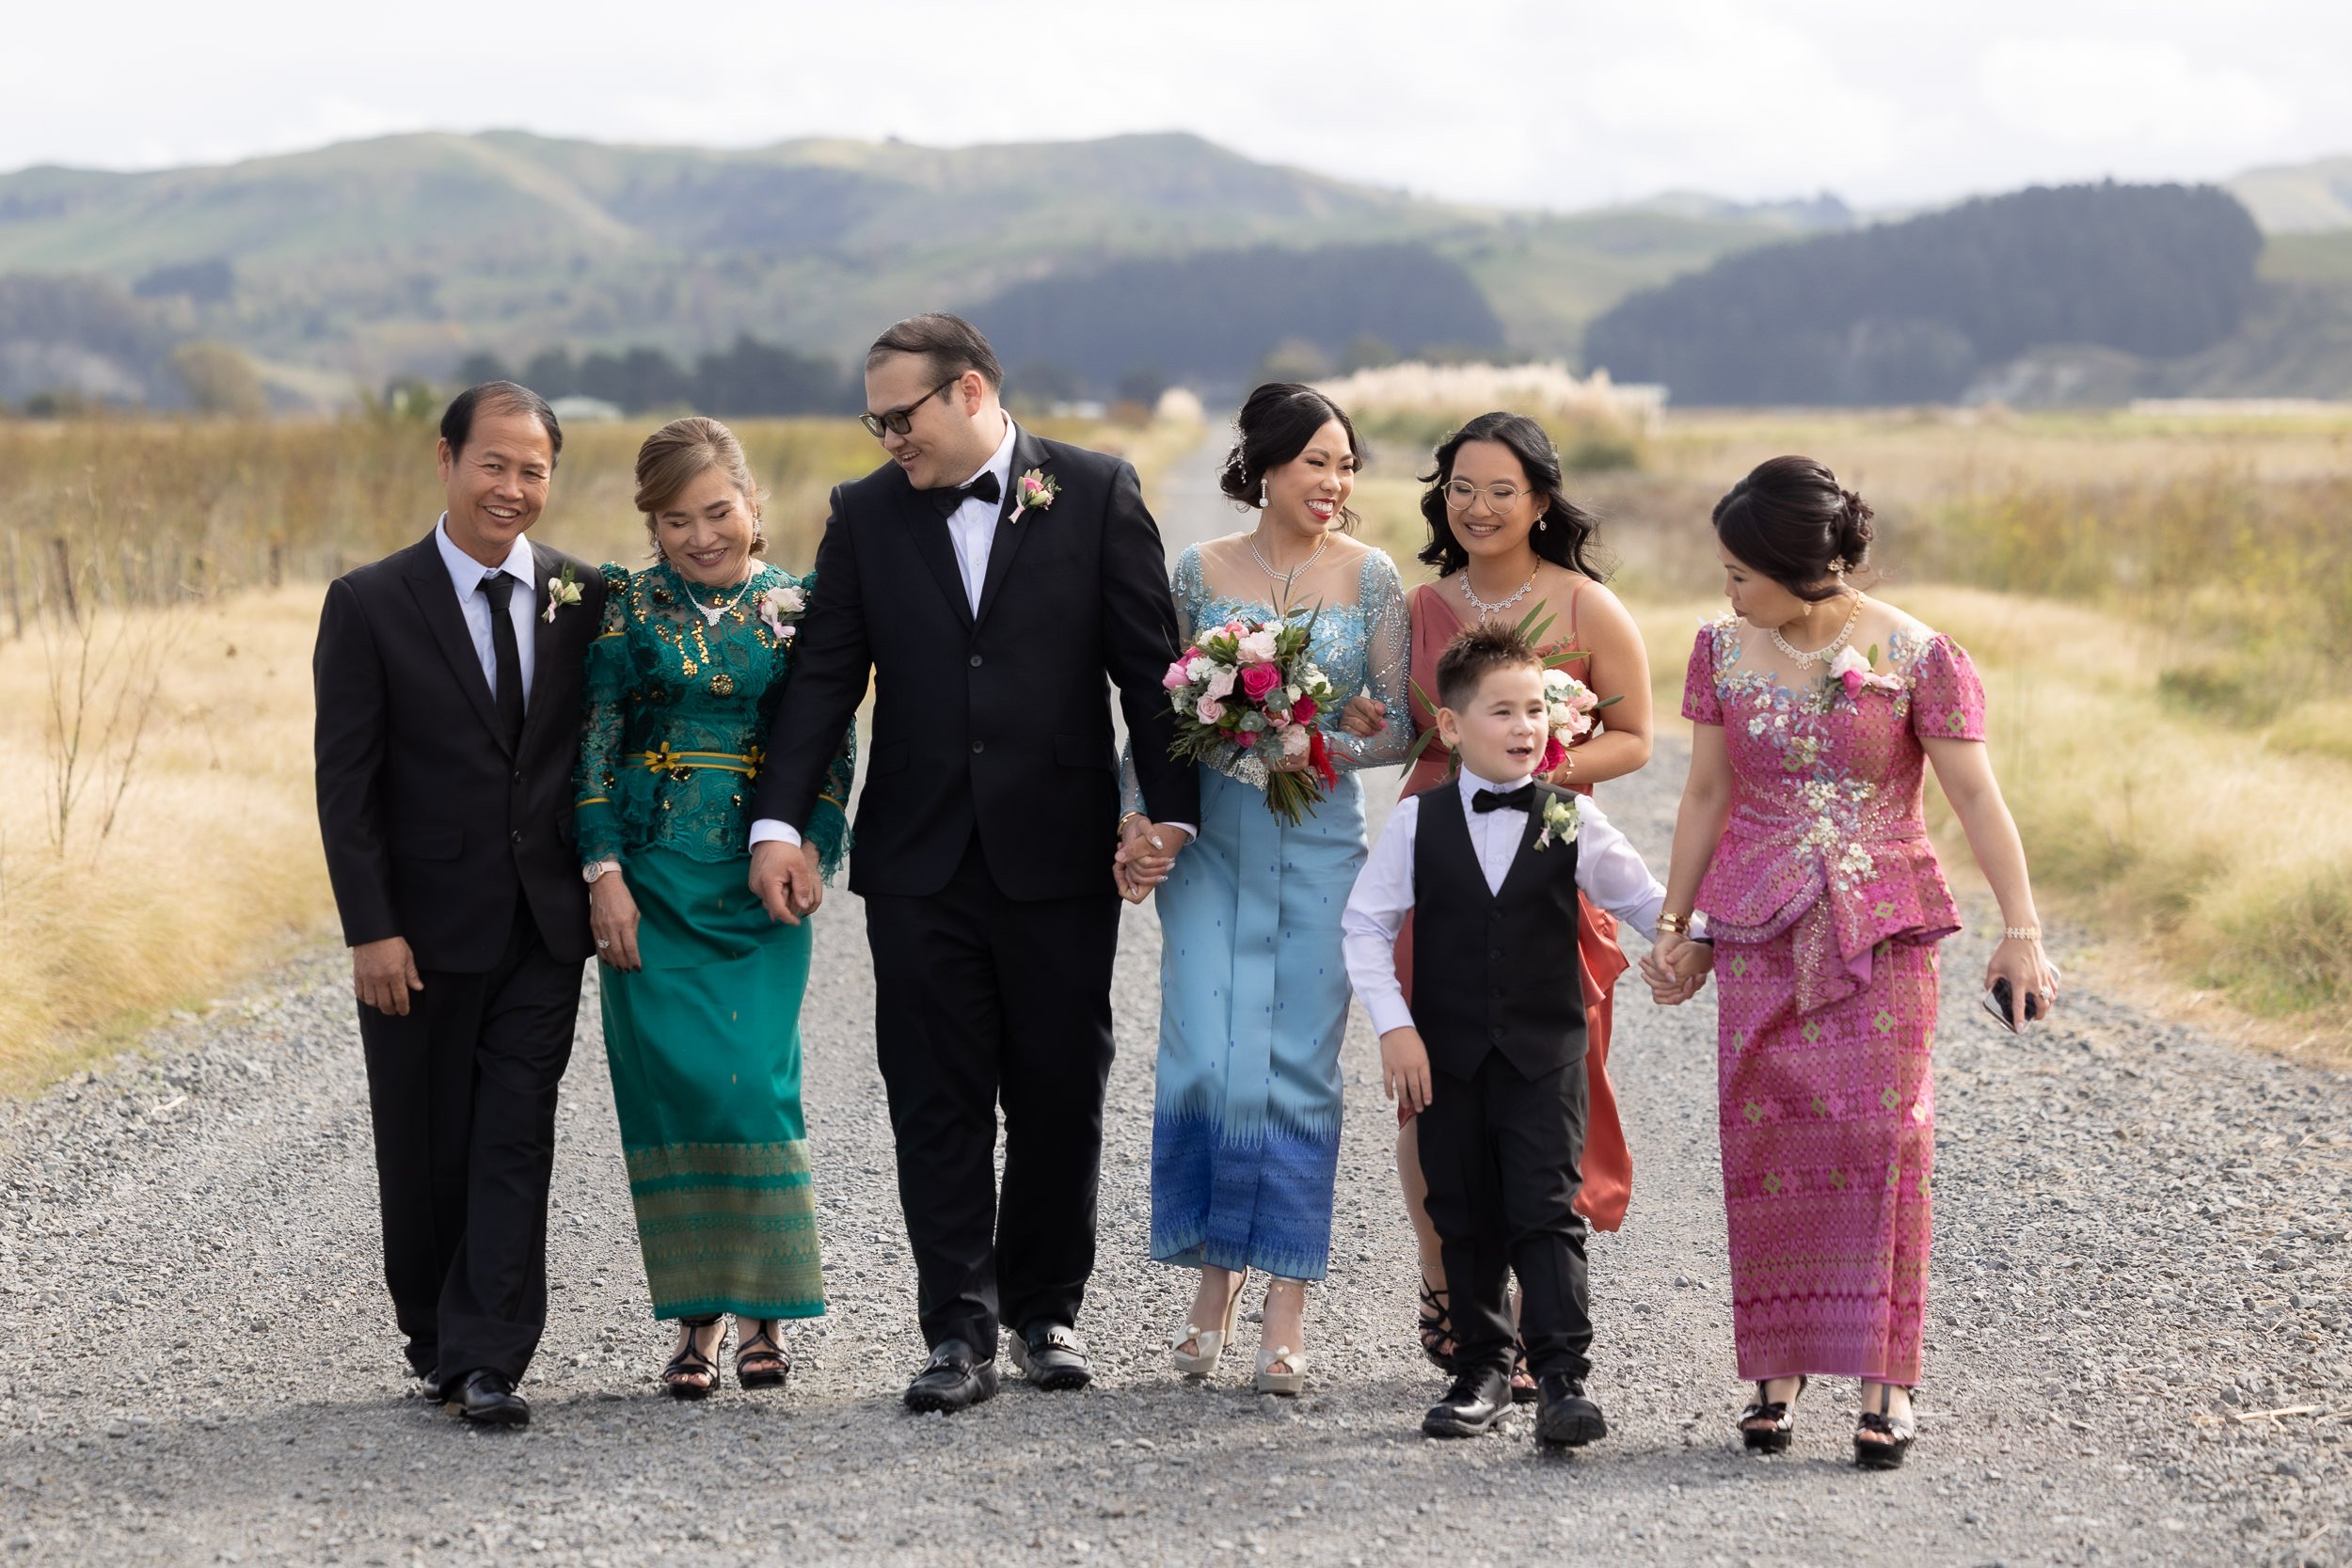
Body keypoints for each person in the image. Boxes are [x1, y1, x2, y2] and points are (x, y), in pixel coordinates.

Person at [745, 313, 1199, 1414]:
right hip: (917, 853)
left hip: (1058, 845)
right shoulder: (862, 514)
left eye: (901, 416)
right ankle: (955, 1329)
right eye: (875, 419)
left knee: (1057, 1086)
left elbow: (1151, 673)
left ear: (973, 391)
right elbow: (821, 680)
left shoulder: (1094, 491)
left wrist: (1166, 811)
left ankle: (1047, 1310)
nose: (888, 437)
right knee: (934, 1094)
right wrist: (779, 824)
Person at [1645, 455, 2056, 1468]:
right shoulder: (1717, 649)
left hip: (1882, 925)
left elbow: (1973, 797)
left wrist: (2022, 927)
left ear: (1797, 564)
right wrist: (1674, 921)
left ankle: (1886, 1382)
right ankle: (1773, 1375)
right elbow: (1702, 794)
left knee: (1885, 1140)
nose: (1727, 589)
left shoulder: (1914, 652)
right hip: (1757, 923)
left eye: (1741, 571)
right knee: (1766, 1140)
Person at [313, 382, 604, 1428]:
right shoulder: (369, 602)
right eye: (495, 463)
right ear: (445, 460)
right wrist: (370, 927)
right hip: (419, 931)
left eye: (533, 470)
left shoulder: (585, 597)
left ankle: (490, 1354)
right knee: (425, 1136)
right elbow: (345, 786)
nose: (513, 488)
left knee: (516, 1130)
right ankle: (434, 1334)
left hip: (541, 925)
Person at [1342, 623, 1702, 1447]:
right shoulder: (1416, 823)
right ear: (1454, 728)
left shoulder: (1570, 819)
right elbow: (1363, 927)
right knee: (1461, 1208)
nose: (1524, 726)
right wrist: (1396, 1029)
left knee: (1546, 1209)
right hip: (1446, 1056)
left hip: (1546, 1054)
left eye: (1535, 708)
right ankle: (1480, 1369)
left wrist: (1690, 944)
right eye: (1503, 711)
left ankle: (1563, 1375)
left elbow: (1649, 903)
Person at [1129, 383, 1410, 1396]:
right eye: (1315, 463)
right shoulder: (1198, 571)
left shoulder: (1372, 577)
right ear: (1264, 464)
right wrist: (1137, 817)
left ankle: (1286, 1293)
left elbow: (1398, 725)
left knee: (1295, 1060)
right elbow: (1157, 710)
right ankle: (1214, 1278)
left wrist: (1313, 735)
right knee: (1205, 1052)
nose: (1333, 483)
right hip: (1212, 841)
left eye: (1346, 465)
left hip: (1320, 838)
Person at [1370, 412, 1653, 1392]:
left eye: (1500, 488)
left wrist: (1544, 759)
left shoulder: (1586, 605)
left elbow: (1637, 739)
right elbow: (1386, 722)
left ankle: (1539, 1312)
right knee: (1430, 1086)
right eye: (1458, 486)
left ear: (1540, 498)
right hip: (1433, 848)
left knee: (1546, 1084)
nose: (1477, 506)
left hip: (1550, 856)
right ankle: (1446, 1275)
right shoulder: (1414, 605)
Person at [573, 418, 854, 1399]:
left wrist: (816, 840)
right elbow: (596, 743)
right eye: (677, 519)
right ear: (652, 525)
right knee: (677, 1095)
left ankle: (765, 1316)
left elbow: (828, 740)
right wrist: (601, 870)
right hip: (652, 885)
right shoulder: (624, 605)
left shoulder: (800, 604)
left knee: (751, 1088)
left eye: (718, 512)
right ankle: (694, 1323)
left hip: (759, 885)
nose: (702, 535)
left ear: (751, 505)